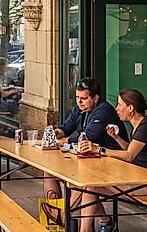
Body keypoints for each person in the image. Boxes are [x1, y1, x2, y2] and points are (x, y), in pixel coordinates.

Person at [72, 89, 147, 232]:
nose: (116, 109)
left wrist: (99, 150)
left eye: (120, 105)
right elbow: (131, 149)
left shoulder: (146, 126)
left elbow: (129, 156)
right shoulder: (139, 125)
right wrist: (116, 138)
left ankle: (70, 219)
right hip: (135, 176)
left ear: (131, 108)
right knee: (89, 185)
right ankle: (99, 224)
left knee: (89, 186)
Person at [42, 77, 127, 230]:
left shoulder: (104, 110)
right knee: (49, 172)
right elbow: (66, 128)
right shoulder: (80, 109)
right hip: (91, 160)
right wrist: (56, 133)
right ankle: (104, 222)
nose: (79, 102)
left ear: (95, 98)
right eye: (77, 98)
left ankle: (62, 217)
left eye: (84, 98)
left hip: (113, 163)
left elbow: (87, 137)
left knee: (80, 183)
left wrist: (62, 141)